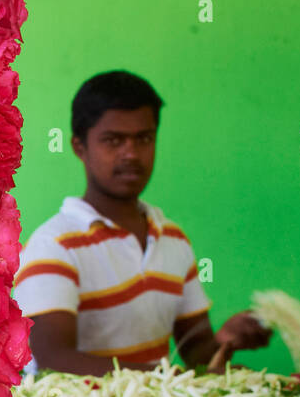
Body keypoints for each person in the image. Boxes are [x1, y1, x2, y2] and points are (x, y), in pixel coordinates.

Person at [14, 70, 269, 376]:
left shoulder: (172, 238)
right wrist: (170, 381)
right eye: (113, 140)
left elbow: (196, 351)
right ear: (79, 147)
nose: (131, 154)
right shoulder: (54, 245)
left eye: (144, 138)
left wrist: (226, 341)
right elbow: (54, 360)